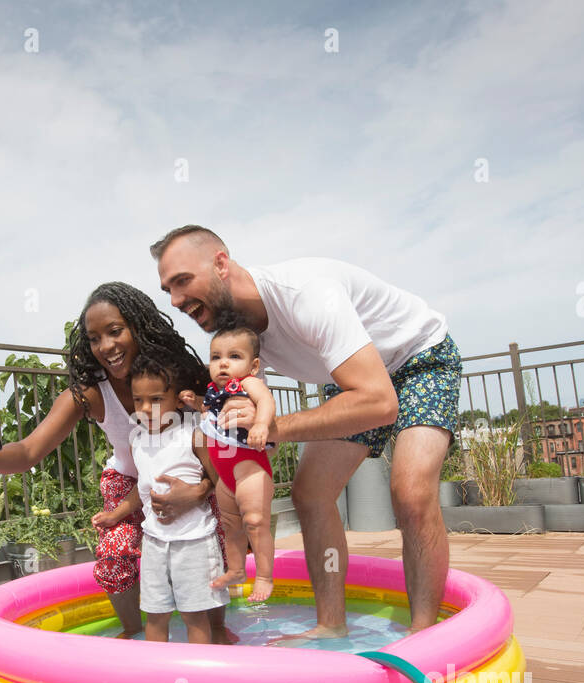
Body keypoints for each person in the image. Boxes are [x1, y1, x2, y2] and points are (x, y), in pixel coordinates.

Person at [150, 225, 462, 637]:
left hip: (420, 359)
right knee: (310, 493)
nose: (175, 301)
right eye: (167, 290)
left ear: (221, 263)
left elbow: (380, 404)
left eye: (182, 281)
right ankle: (331, 625)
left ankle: (425, 637)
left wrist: (274, 427)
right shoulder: (238, 334)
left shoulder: (307, 296)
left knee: (410, 492)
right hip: (355, 378)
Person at [0, 281, 230, 640]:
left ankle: (215, 627)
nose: (106, 347)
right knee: (115, 550)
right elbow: (28, 452)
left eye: (115, 331)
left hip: (193, 480)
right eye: (94, 338)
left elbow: (227, 437)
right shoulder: (90, 392)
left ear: (139, 327)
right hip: (130, 485)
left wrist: (200, 491)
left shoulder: (180, 376)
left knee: (214, 531)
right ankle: (136, 633)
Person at [121, 355, 229, 643]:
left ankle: (201, 680)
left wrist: (196, 493)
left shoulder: (193, 437)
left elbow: (219, 479)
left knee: (195, 616)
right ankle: (156, 681)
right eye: (138, 400)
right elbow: (143, 488)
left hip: (193, 542)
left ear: (178, 401)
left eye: (156, 400)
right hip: (155, 543)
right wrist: (116, 512)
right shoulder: (137, 442)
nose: (145, 409)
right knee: (155, 615)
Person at [179, 319, 276, 602]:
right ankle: (236, 569)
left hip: (250, 471)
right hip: (225, 477)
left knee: (256, 522)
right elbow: (209, 413)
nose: (223, 364)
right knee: (231, 527)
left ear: (253, 365)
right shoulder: (214, 390)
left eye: (234, 357)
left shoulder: (249, 383)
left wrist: (260, 424)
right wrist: (194, 401)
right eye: (216, 357)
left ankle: (264, 575)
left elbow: (267, 402)